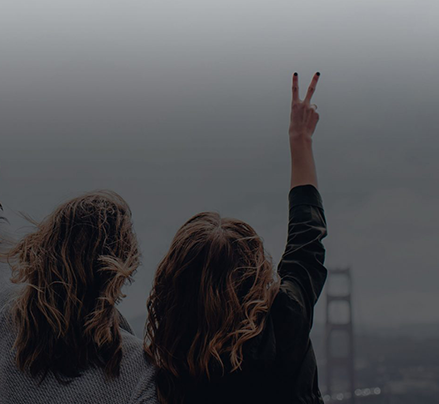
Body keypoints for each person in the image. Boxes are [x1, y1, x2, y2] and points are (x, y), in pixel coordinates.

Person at [138, 71, 328, 404]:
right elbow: (306, 242)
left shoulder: (168, 360)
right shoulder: (285, 320)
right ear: (255, 272)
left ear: (173, 284)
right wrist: (301, 140)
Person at [0, 155, 152, 404]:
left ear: (46, 247)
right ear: (123, 267)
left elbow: (3, 244)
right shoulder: (141, 370)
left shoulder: (10, 316)